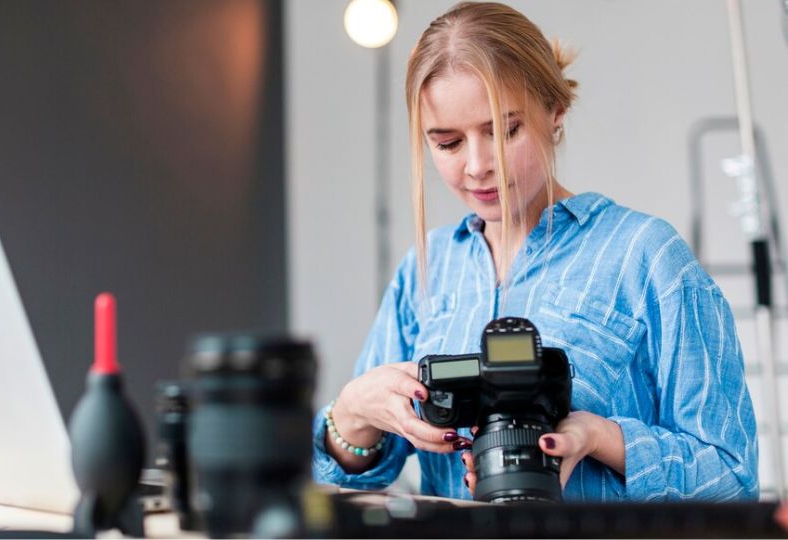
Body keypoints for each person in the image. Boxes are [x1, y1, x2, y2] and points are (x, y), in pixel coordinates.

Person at [312, 1, 758, 501]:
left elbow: (733, 480)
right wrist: (350, 412)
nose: (479, 166)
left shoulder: (647, 257)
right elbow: (352, 474)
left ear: (555, 111)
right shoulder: (427, 268)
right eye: (448, 143)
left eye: (505, 131)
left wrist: (598, 438)